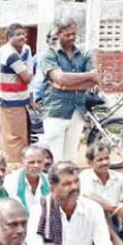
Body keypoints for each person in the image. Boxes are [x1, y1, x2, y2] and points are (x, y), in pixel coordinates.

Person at [41, 19, 99, 162]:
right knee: (54, 159)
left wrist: (66, 84)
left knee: (71, 159)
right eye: (67, 35)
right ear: (59, 34)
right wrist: (86, 76)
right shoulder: (49, 54)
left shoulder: (84, 54)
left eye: (74, 34)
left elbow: (94, 80)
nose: (72, 38)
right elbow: (60, 78)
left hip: (77, 110)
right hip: (56, 111)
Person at [80, 142, 123, 245]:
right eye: (100, 160)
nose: (105, 162)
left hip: (117, 218)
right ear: (90, 163)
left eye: (107, 158)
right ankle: (118, 244)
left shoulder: (117, 176)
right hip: (93, 222)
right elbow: (89, 195)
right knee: (98, 208)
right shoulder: (85, 176)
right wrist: (117, 210)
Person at [0, 24, 34, 164]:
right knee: (15, 140)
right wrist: (30, 70)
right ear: (9, 37)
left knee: (19, 138)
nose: (22, 37)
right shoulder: (10, 55)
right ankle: (15, 168)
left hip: (16, 101)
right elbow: (27, 77)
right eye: (18, 34)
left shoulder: (19, 52)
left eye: (24, 34)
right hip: (12, 103)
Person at [4, 144, 51, 211]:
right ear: (22, 162)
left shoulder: (50, 181)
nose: (36, 165)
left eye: (39, 162)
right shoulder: (10, 181)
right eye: (31, 162)